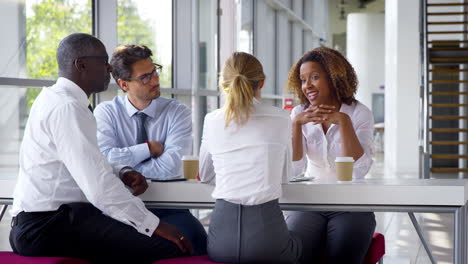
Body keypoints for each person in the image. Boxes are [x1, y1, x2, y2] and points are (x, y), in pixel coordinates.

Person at [9, 33, 192, 264]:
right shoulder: (67, 108)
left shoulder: (55, 99)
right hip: (47, 227)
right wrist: (153, 224)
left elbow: (90, 162)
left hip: (45, 223)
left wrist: (122, 171)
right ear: (81, 65)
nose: (109, 70)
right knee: (170, 245)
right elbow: (99, 188)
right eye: (103, 62)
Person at [94, 44, 207, 255]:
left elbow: (173, 166)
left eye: (154, 71)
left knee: (196, 240)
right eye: (144, 78)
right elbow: (104, 159)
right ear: (124, 84)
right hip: (121, 210)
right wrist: (147, 149)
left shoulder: (177, 112)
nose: (155, 80)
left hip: (170, 208)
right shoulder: (106, 112)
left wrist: (125, 171)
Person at [199, 52, 302, 264]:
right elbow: (285, 177)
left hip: (221, 242)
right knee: (304, 240)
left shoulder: (212, 120)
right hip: (267, 238)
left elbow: (206, 175)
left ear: (223, 83)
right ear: (261, 82)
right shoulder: (281, 117)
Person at [286, 46, 376, 264]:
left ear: (335, 78)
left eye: (315, 77)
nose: (307, 86)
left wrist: (343, 122)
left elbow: (358, 171)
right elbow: (294, 171)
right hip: (310, 203)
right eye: (303, 79)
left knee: (342, 258)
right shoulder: (299, 113)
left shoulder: (358, 113)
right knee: (297, 256)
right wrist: (296, 126)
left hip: (351, 204)